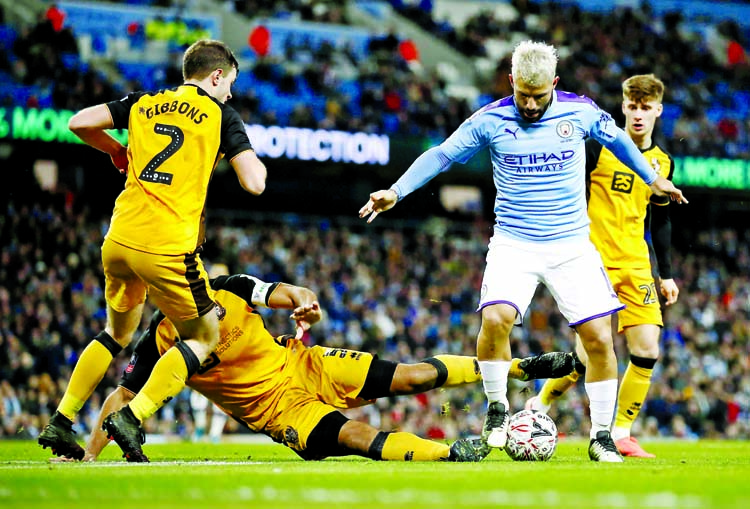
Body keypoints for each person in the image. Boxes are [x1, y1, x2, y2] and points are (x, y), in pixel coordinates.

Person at [358, 40, 687, 462]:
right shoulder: (490, 119)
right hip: (514, 243)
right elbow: (442, 155)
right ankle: (497, 406)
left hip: (571, 244)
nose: (530, 105)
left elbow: (621, 141)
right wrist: (396, 190)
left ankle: (602, 435)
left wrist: (651, 177)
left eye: (539, 95)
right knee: (495, 319)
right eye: (523, 95)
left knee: (599, 340)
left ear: (554, 83)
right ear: (511, 82)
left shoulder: (581, 111)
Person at [51, 273, 574, 463]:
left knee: (412, 375)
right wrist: (92, 456)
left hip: (308, 363)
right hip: (281, 410)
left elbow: (288, 292)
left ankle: (523, 368)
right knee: (356, 436)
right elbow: (121, 397)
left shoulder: (231, 286)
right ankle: (450, 456)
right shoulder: (157, 340)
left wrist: (306, 301)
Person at [37, 39, 267, 461]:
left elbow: (79, 122)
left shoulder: (145, 101)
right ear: (216, 76)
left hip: (119, 239)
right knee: (204, 335)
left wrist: (116, 151)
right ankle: (133, 415)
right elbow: (254, 183)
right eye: (230, 82)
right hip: (166, 249)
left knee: (116, 333)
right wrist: (250, 156)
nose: (231, 92)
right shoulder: (221, 114)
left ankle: (61, 419)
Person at [525, 74, 678, 458]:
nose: (639, 115)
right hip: (592, 261)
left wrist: (667, 272)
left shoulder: (663, 163)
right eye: (632, 107)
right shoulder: (597, 150)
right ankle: (540, 404)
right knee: (588, 354)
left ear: (658, 110)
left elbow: (659, 219)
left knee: (647, 349)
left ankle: (621, 432)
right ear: (623, 107)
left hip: (636, 265)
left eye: (646, 108)